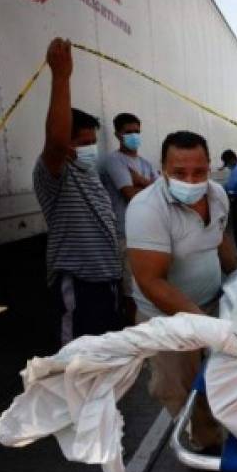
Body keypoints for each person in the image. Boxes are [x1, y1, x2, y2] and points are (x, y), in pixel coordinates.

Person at [125, 131, 237, 472]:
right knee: (179, 390)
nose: (192, 181)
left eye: (199, 171)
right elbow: (151, 282)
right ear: (162, 169)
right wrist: (205, 327)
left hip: (212, 302)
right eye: (180, 172)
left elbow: (221, 241)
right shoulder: (147, 209)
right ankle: (206, 448)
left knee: (233, 380)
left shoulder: (217, 195)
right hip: (164, 318)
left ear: (209, 167)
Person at [33, 38, 123, 345]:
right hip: (79, 285)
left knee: (106, 362)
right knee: (78, 365)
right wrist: (61, 77)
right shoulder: (56, 173)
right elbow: (57, 141)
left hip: (106, 282)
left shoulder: (90, 172)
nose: (89, 149)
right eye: (82, 142)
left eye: (92, 142)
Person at [101, 112, 156, 323]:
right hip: (125, 234)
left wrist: (140, 180)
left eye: (137, 132)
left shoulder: (144, 163)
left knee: (147, 286)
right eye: (129, 132)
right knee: (130, 292)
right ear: (118, 134)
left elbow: (162, 194)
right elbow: (130, 195)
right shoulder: (115, 161)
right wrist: (149, 185)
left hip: (146, 234)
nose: (134, 136)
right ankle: (131, 332)